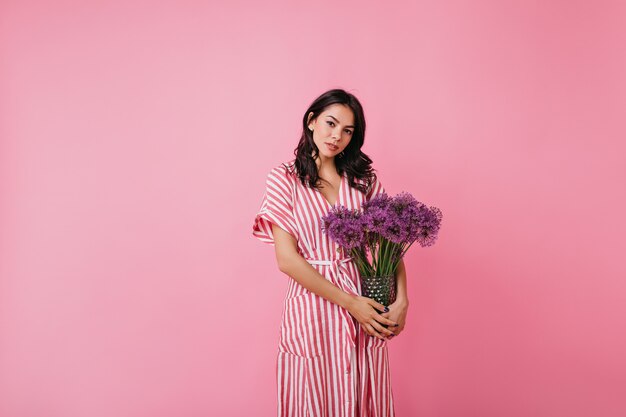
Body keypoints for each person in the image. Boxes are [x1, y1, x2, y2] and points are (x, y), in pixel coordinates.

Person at [252, 88, 409, 417]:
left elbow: (390, 245)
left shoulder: (363, 182)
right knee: (313, 393)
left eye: (347, 130)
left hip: (365, 304)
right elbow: (287, 259)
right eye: (330, 123)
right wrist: (350, 303)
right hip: (312, 306)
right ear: (311, 121)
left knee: (363, 389)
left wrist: (402, 300)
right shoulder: (285, 180)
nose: (336, 136)